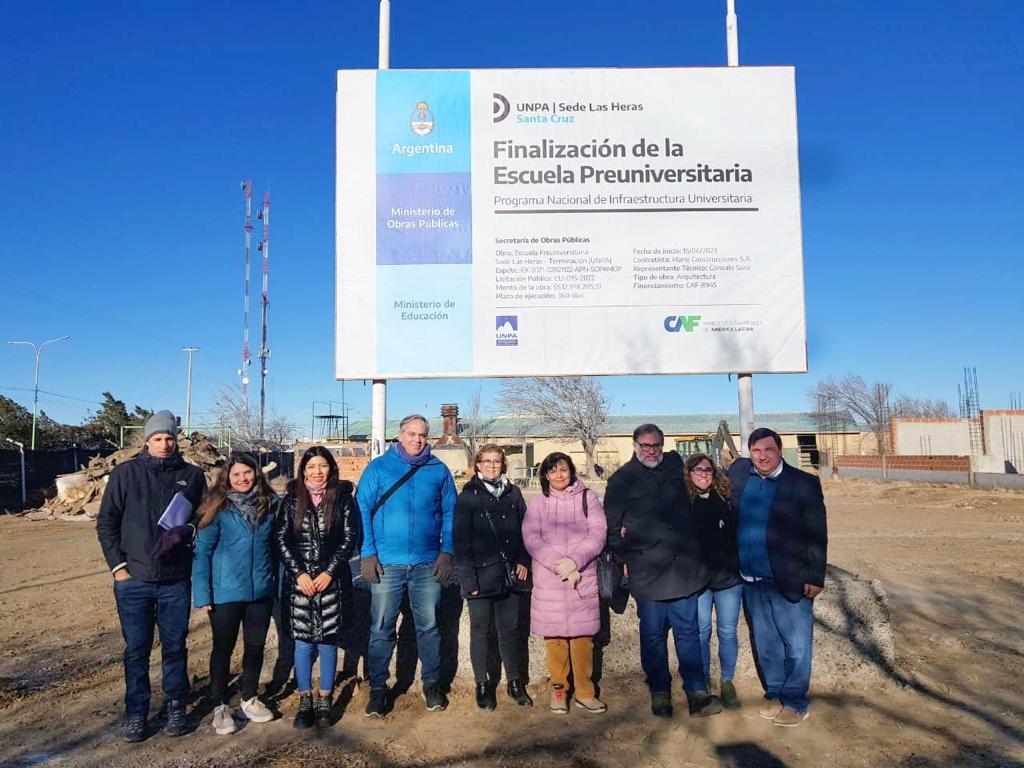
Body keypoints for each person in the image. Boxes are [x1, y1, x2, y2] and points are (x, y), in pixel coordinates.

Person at [96, 410, 206, 742]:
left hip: (175, 579)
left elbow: (203, 518)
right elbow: (106, 524)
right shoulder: (125, 474)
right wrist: (120, 568)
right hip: (135, 581)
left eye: (169, 438)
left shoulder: (192, 475)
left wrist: (186, 530)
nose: (164, 444)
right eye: (157, 438)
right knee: (137, 649)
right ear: (147, 442)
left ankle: (176, 706)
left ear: (177, 440)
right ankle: (137, 713)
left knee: (175, 646)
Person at [604, 424, 720, 718]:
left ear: (663, 444)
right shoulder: (621, 480)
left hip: (683, 569)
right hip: (647, 572)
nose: (651, 451)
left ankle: (696, 691)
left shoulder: (675, 465)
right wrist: (625, 558)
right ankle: (659, 692)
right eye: (645, 446)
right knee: (653, 636)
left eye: (656, 445)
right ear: (634, 446)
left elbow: (705, 481)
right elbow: (612, 529)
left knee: (688, 633)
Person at [355, 414, 457, 717]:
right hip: (387, 564)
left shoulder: (438, 470)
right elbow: (361, 509)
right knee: (381, 628)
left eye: (423, 435)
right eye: (411, 434)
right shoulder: (379, 468)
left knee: (429, 627)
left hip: (427, 564)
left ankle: (432, 685)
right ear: (399, 435)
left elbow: (451, 512)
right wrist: (367, 553)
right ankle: (377, 688)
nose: (417, 440)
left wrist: (447, 551)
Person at [728, 427, 828, 728]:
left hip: (789, 578)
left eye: (768, 450)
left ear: (779, 450)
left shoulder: (803, 483)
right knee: (767, 644)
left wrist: (815, 575)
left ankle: (796, 702)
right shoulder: (739, 478)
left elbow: (817, 533)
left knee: (796, 645)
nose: (762, 456)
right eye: (756, 451)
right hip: (751, 579)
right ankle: (776, 694)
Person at [192, 452, 278, 735]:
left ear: (257, 474)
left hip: (260, 592)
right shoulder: (217, 507)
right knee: (222, 648)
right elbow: (202, 552)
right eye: (236, 474)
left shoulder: (270, 505)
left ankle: (249, 698)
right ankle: (219, 705)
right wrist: (203, 594)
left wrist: (277, 586)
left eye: (247, 473)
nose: (243, 479)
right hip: (225, 592)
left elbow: (277, 549)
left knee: (255, 647)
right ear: (227, 478)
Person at [275, 446, 358, 729]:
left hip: (331, 582)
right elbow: (281, 540)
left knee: (327, 640)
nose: (317, 472)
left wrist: (328, 573)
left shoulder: (344, 500)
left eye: (322, 466)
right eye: (311, 467)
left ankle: (325, 698)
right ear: (303, 470)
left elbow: (350, 540)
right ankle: (305, 699)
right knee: (303, 641)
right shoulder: (290, 501)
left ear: (331, 468)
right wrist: (299, 574)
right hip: (300, 584)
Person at [522, 452, 607, 715]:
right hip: (551, 582)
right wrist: (559, 564)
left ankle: (585, 692)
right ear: (545, 475)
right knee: (555, 641)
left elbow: (598, 533)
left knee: (583, 640)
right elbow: (531, 538)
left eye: (563, 469)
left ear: (571, 471)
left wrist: (575, 561)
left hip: (582, 579)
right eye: (553, 471)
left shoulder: (588, 498)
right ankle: (559, 690)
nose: (559, 475)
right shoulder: (538, 503)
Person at [453, 444, 533, 710]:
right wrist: (469, 580)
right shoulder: (468, 497)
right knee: (480, 631)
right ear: (477, 464)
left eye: (496, 461)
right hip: (480, 576)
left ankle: (514, 682)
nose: (491, 465)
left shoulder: (513, 494)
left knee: (509, 630)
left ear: (503, 465)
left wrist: (523, 560)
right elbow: (461, 543)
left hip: (508, 575)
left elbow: (527, 531)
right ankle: (483, 684)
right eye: (486, 461)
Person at [686, 453, 742, 710]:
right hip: (698, 581)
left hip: (728, 578)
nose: (704, 474)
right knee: (701, 631)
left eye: (708, 470)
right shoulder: (684, 502)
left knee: (727, 631)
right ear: (689, 473)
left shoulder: (726, 499)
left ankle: (727, 681)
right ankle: (704, 680)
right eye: (698, 470)